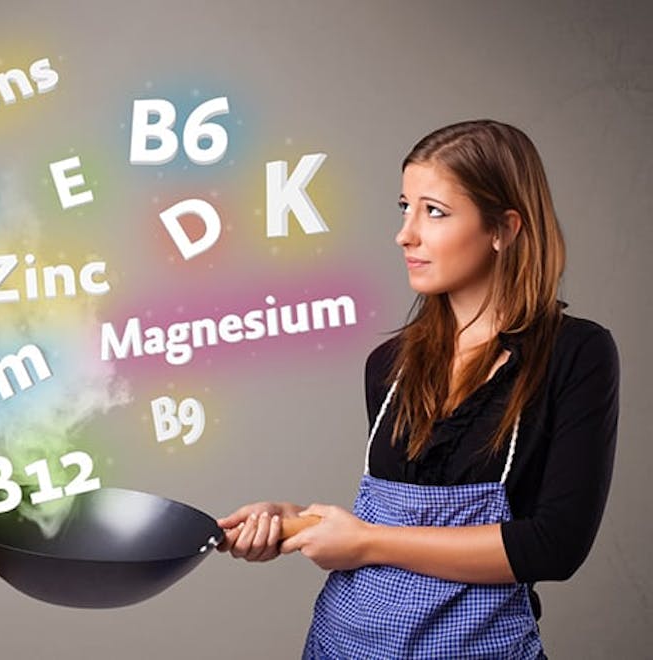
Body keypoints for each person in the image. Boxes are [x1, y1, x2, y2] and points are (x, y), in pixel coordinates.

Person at [217, 119, 620, 659]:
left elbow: (553, 546)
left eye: (434, 211)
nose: (405, 233)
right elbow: (394, 520)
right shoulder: (388, 365)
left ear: (504, 228)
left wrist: (363, 543)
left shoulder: (575, 354)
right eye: (404, 207)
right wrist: (300, 521)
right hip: (344, 644)